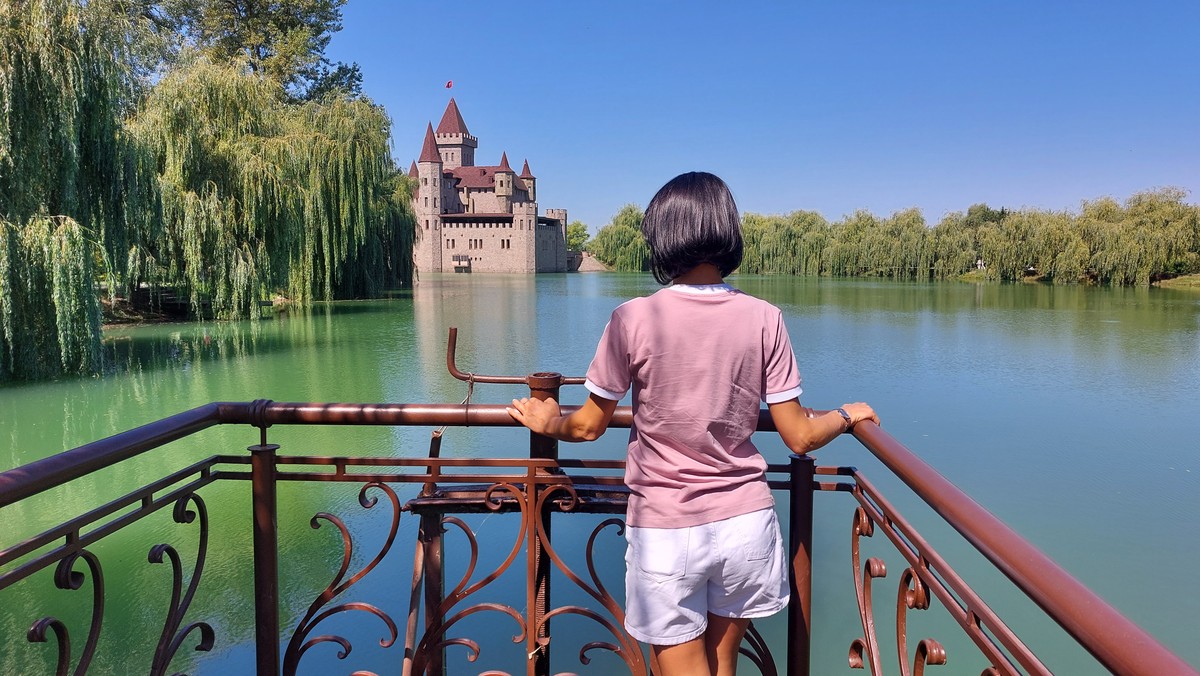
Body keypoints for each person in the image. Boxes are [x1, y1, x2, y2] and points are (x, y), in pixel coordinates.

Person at [507, 171, 878, 676]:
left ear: (663, 237)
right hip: (745, 523)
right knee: (723, 666)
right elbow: (799, 436)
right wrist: (846, 415)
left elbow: (590, 426)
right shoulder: (765, 318)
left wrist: (549, 419)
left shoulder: (633, 319)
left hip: (667, 527)